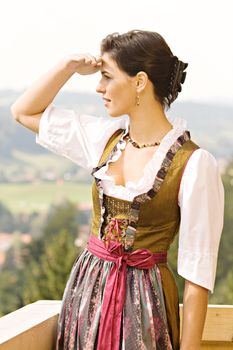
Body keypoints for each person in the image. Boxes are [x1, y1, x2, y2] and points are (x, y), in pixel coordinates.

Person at [11, 29, 224, 350]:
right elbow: (24, 112)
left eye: (107, 77)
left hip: (145, 307)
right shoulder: (103, 139)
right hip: (86, 298)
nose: (99, 87)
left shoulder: (194, 164)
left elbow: (198, 278)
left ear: (139, 82)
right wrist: (67, 66)